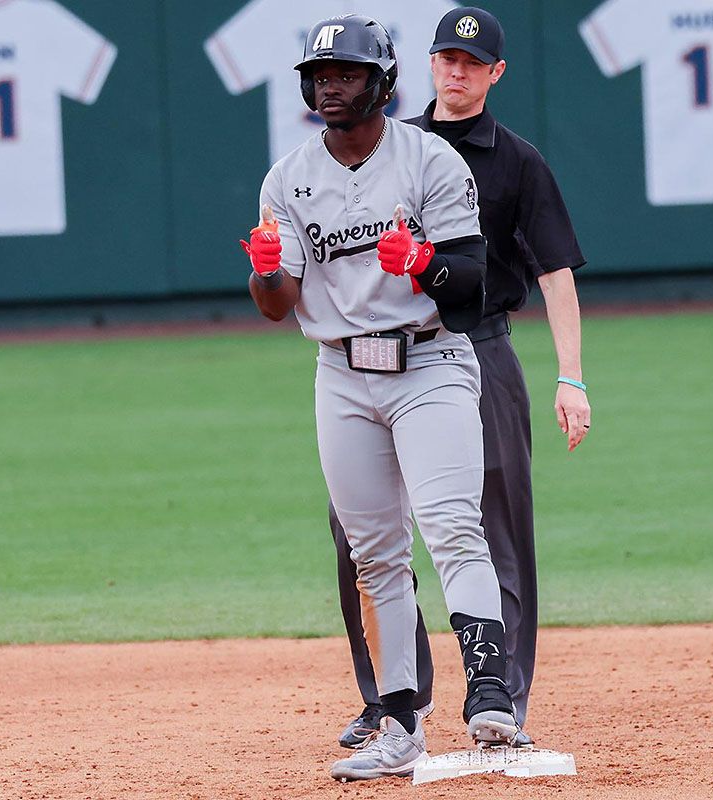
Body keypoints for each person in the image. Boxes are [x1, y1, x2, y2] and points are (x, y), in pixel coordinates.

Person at [241, 14, 520, 782]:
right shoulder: (287, 178)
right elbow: (278, 305)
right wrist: (265, 271)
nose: (330, 86)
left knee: (453, 527)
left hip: (430, 363)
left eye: (347, 73)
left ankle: (490, 693)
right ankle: (399, 724)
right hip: (341, 374)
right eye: (320, 76)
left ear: (382, 82)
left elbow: (470, 285)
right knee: (375, 554)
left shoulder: (429, 160)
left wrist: (422, 261)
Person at [332, 6, 590, 751]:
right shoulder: (386, 147)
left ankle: (503, 698)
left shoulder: (517, 161)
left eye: (473, 63)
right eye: (448, 57)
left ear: (495, 73)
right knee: (359, 532)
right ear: (429, 63)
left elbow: (556, 272)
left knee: (495, 522)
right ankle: (391, 699)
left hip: (481, 346)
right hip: (387, 352)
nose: (457, 71)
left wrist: (571, 377)